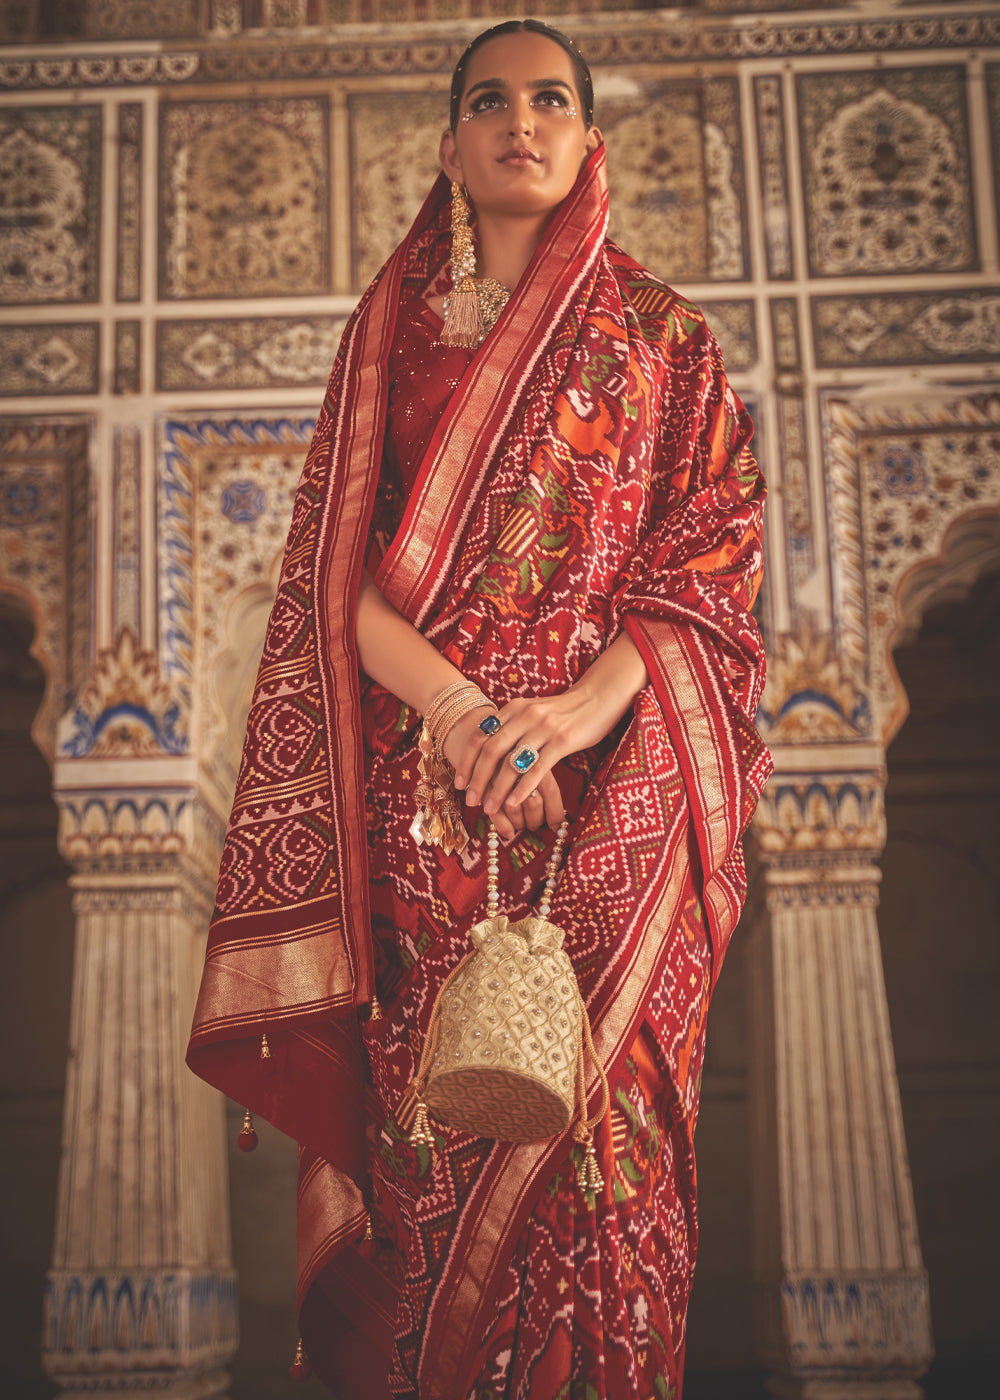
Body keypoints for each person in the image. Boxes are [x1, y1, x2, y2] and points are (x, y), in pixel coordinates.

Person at [188, 19, 771, 1400]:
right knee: (434, 1135)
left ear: (588, 140)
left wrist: (566, 719)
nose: (523, 120)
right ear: (450, 145)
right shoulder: (393, 338)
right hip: (429, 820)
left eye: (551, 100)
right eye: (491, 102)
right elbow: (339, 586)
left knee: (608, 1157)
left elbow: (714, 572)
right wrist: (461, 717)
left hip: (608, 809)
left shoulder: (663, 338)